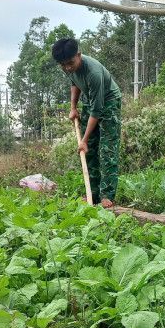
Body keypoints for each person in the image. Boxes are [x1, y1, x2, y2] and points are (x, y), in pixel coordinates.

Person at [52, 37, 122, 209]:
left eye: (70, 63)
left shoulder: (94, 73)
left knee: (107, 150)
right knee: (88, 152)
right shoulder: (67, 66)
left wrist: (83, 140)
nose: (68, 68)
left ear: (79, 55)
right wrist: (73, 107)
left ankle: (107, 195)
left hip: (108, 101)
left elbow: (97, 111)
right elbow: (74, 81)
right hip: (90, 100)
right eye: (63, 65)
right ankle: (93, 193)